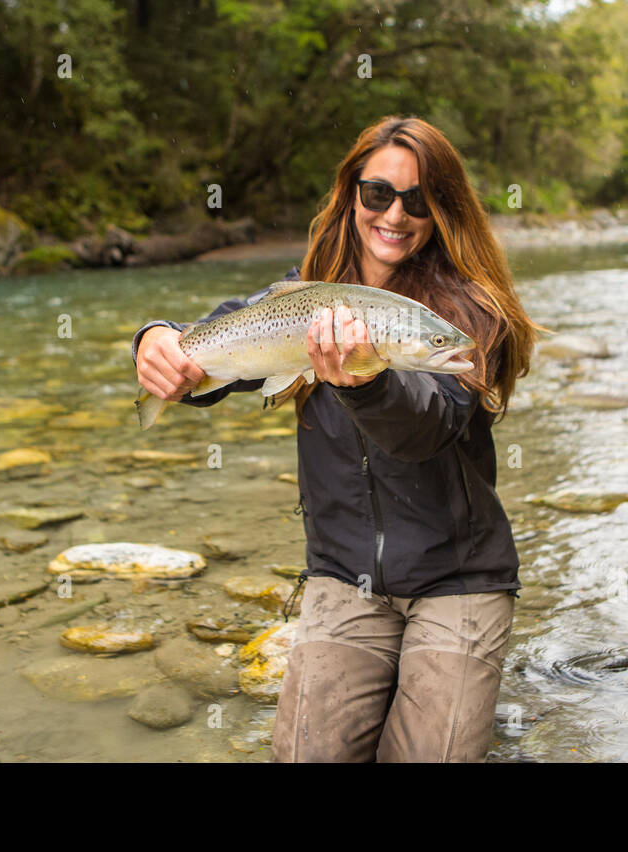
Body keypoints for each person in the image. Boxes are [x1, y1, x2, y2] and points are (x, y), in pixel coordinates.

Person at [131, 116, 543, 761]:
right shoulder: (304, 296)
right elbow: (207, 338)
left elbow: (426, 428)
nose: (396, 215)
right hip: (344, 577)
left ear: (444, 209)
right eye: (378, 193)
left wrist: (362, 382)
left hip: (459, 579)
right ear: (352, 195)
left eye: (418, 199)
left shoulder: (468, 315)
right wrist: (157, 339)